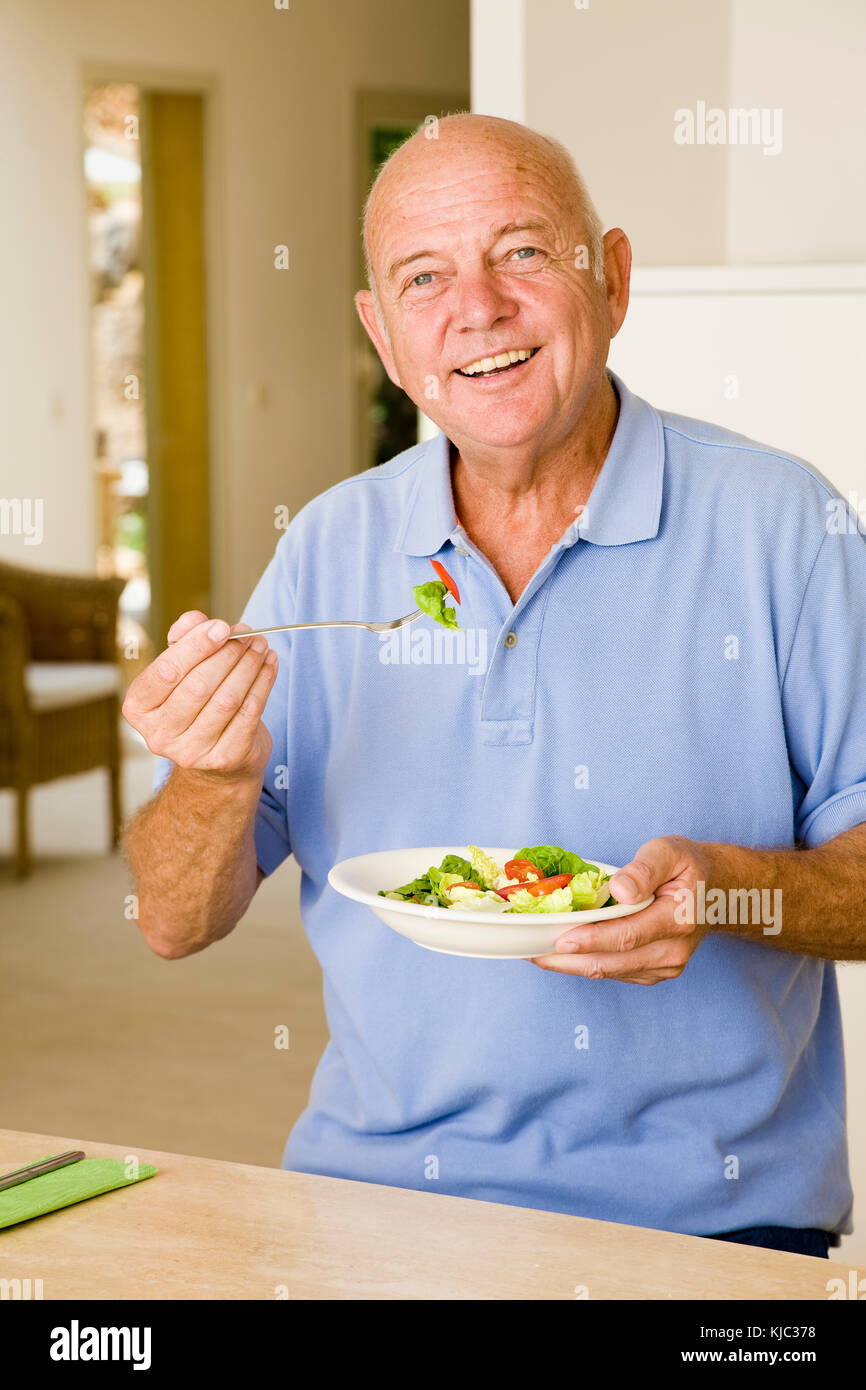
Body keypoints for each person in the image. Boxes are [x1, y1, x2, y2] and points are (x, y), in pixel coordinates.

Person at [123, 114, 866, 1257]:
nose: (476, 306)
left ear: (609, 279)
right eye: (423, 276)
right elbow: (173, 920)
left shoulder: (787, 527)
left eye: (522, 251)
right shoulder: (328, 548)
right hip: (370, 1206)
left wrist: (726, 890)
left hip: (712, 1229)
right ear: (381, 331)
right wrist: (212, 776)